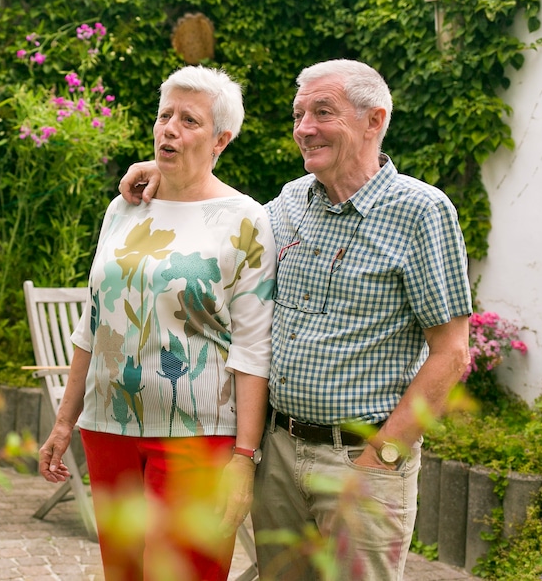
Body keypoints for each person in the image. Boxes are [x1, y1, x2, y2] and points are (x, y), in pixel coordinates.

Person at [120, 59, 472, 580]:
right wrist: (166, 172)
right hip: (279, 454)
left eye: (322, 112)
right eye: (299, 113)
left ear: (374, 120)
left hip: (360, 459)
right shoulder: (288, 203)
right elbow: (216, 218)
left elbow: (452, 351)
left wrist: (385, 454)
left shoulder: (421, 210)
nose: (304, 128)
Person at [39, 66, 276, 581]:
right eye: (164, 114)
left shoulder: (246, 220)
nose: (169, 127)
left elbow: (254, 346)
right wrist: (65, 421)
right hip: (109, 428)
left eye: (189, 119)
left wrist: (244, 456)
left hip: (199, 436)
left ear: (222, 139)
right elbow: (93, 320)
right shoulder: (124, 208)